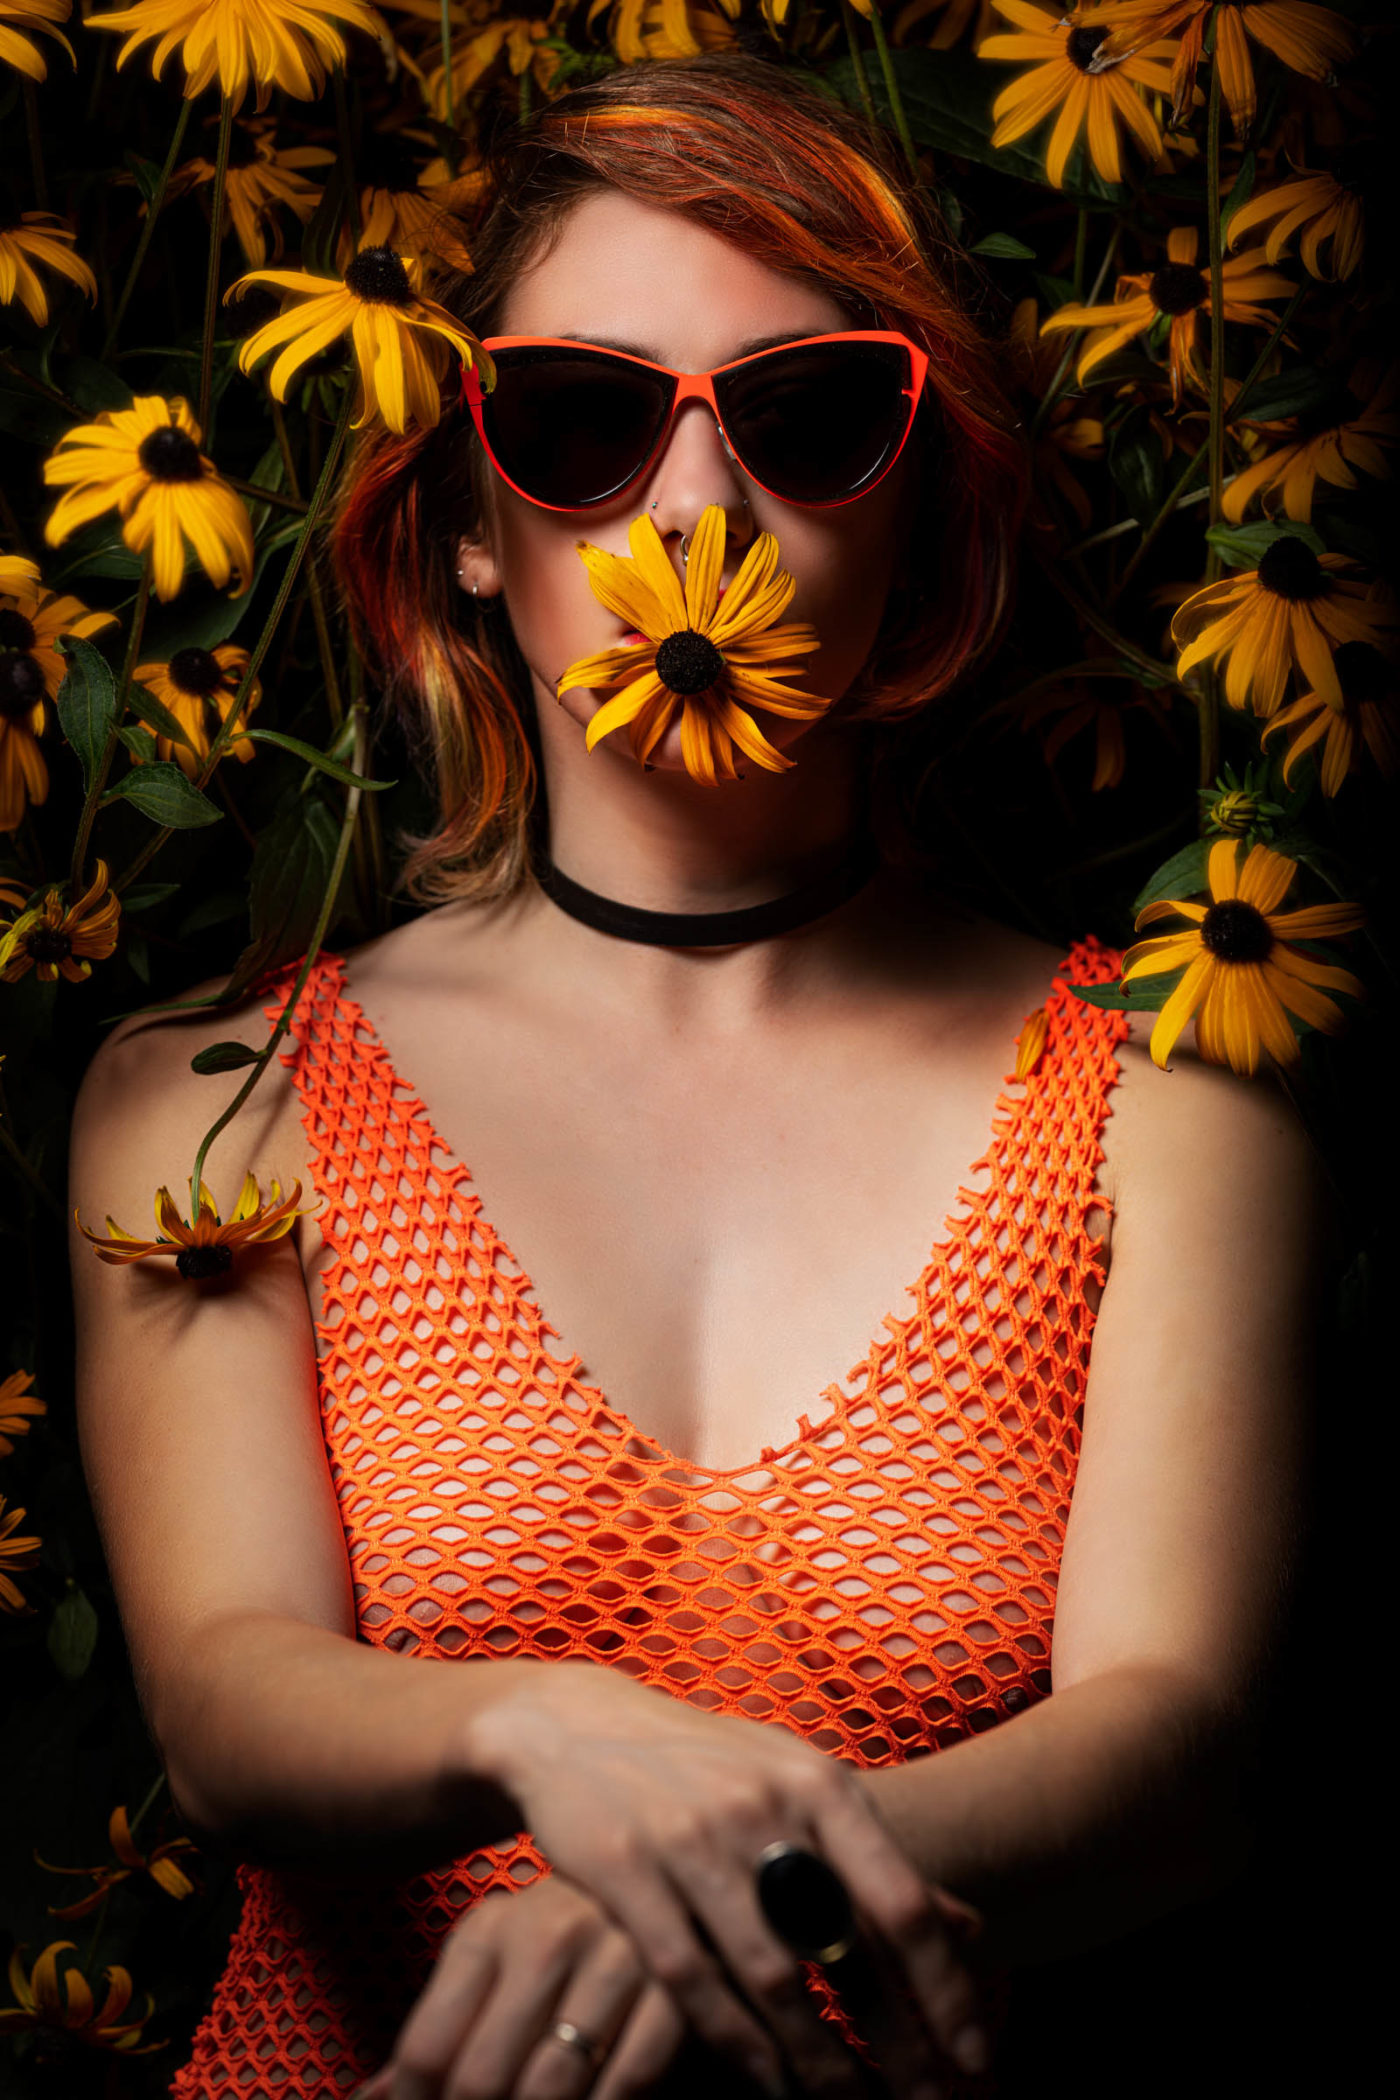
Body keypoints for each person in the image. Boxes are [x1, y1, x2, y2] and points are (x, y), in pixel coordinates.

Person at [68, 55, 1319, 2100]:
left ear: (915, 518)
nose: (691, 509)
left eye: (808, 415)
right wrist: (554, 1732)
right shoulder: (220, 1094)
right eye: (581, 419)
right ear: (470, 523)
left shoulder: (1173, 1099)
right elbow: (223, 1699)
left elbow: (1180, 1748)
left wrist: (741, 1889)